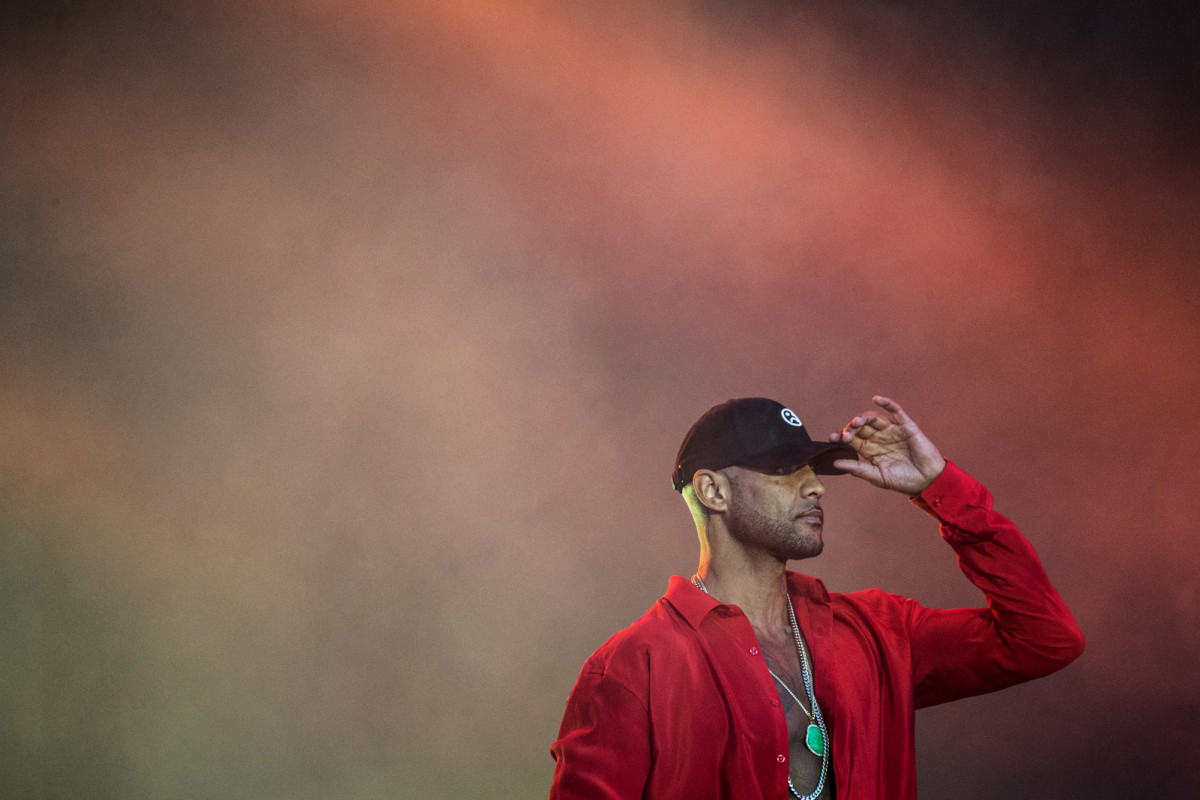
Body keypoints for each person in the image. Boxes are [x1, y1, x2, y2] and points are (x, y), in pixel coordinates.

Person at [549, 395, 1084, 800]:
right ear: (714, 491)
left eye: (814, 468)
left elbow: (1044, 639)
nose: (816, 487)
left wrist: (940, 486)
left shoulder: (878, 630)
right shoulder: (630, 670)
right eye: (785, 470)